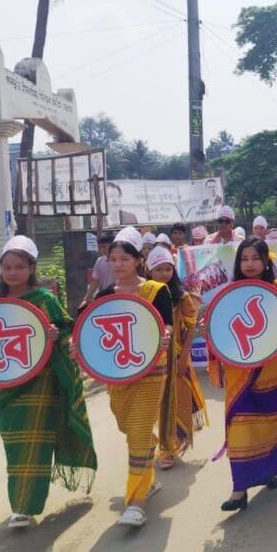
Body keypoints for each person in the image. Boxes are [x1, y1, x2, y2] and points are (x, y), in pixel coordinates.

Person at [0, 235, 97, 529]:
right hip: (8, 389)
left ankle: (23, 508)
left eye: (19, 267)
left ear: (31, 268)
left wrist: (55, 337)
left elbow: (67, 333)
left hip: (42, 385)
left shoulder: (44, 300)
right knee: (15, 446)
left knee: (35, 446)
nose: (12, 272)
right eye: (7, 267)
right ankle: (21, 503)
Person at [87, 226, 173, 528]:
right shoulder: (106, 296)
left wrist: (165, 336)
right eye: (113, 259)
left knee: (136, 430)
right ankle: (148, 461)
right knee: (127, 424)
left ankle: (136, 501)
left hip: (151, 371)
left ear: (139, 261)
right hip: (118, 375)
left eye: (124, 259)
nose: (118, 264)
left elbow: (167, 326)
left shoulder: (156, 291)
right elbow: (91, 330)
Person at [210, 238, 277, 512]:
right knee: (240, 427)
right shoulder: (230, 293)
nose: (249, 264)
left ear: (265, 260)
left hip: (274, 370)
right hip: (241, 373)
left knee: (271, 425)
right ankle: (239, 489)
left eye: (255, 258)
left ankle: (271, 471)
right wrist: (209, 330)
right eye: (244, 259)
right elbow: (222, 332)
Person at [147, 246, 208, 470]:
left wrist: (184, 359)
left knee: (173, 402)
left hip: (175, 357)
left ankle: (168, 448)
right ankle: (152, 442)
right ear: (149, 270)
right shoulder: (142, 294)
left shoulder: (181, 297)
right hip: (148, 358)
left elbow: (191, 328)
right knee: (152, 404)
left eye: (168, 269)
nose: (164, 273)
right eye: (158, 269)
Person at [79, 233, 112, 308]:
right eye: (100, 247)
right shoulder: (100, 261)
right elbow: (95, 282)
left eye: (104, 247)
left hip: (121, 296)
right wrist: (86, 299)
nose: (102, 250)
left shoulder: (122, 262)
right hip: (105, 297)